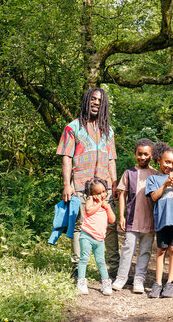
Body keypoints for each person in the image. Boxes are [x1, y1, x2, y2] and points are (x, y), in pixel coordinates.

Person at [56, 88, 119, 279]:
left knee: (110, 227)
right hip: (81, 187)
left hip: (105, 188)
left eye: (100, 101)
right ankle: (77, 268)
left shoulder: (108, 130)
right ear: (86, 101)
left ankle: (113, 270)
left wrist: (115, 185)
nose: (96, 103)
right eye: (93, 99)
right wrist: (67, 184)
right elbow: (66, 157)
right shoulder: (72, 127)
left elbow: (111, 160)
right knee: (79, 226)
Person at [112, 138, 158, 294]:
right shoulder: (129, 173)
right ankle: (121, 277)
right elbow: (122, 195)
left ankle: (139, 279)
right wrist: (122, 216)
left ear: (152, 155)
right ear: (135, 153)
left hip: (149, 220)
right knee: (127, 249)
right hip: (132, 219)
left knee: (145, 250)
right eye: (140, 154)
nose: (143, 157)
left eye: (146, 154)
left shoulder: (156, 174)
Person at [145, 142, 173, 298]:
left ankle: (169, 283)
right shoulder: (153, 179)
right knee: (161, 250)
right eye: (167, 162)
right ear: (159, 160)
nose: (170, 166)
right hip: (162, 220)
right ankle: (157, 283)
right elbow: (154, 196)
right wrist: (165, 185)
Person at [77, 178, 116, 295]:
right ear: (91, 194)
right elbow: (88, 211)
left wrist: (108, 207)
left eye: (104, 191)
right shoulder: (90, 200)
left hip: (99, 239)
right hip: (87, 236)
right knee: (84, 259)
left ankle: (106, 282)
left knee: (101, 261)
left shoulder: (106, 204)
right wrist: (99, 203)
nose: (102, 195)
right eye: (98, 193)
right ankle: (81, 282)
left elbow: (112, 220)